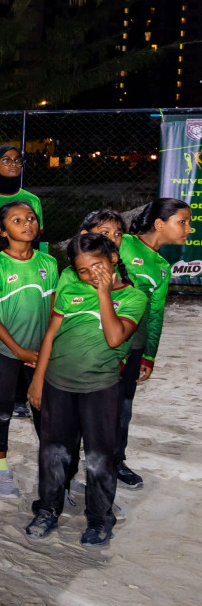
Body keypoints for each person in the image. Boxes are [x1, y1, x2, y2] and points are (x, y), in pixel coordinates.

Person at [23, 234, 149, 547]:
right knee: (53, 451)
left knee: (99, 457)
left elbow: (114, 338)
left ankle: (100, 518)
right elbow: (51, 334)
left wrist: (105, 293)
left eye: (98, 266)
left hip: (99, 388)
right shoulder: (71, 287)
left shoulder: (134, 297)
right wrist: (38, 380)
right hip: (57, 384)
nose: (91, 274)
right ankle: (48, 509)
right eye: (83, 270)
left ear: (114, 259)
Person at [0, 200, 57, 498]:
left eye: (31, 218)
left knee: (44, 410)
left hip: (40, 352)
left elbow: (54, 312)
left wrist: (45, 349)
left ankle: (52, 470)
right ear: (2, 230)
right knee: (2, 409)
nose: (28, 224)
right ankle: (1, 469)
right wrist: (19, 351)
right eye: (17, 220)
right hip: (6, 352)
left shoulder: (48, 263)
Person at [112, 197, 190, 489]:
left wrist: (149, 355)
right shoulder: (122, 243)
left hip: (133, 347)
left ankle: (116, 460)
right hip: (101, 343)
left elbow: (155, 315)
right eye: (181, 222)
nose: (188, 229)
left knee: (124, 406)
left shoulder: (161, 267)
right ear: (160, 224)